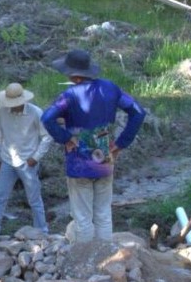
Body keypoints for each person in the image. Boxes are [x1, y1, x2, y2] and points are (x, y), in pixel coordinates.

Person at [40, 49, 146, 241]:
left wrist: (65, 138)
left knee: (82, 217)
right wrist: (121, 143)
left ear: (74, 75)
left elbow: (47, 118)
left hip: (78, 163)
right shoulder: (111, 88)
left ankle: (86, 263)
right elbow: (138, 112)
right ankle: (106, 258)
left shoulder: (69, 95)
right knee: (104, 214)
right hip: (105, 160)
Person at [0, 82, 53, 233]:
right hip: (6, 160)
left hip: (27, 162)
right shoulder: (2, 111)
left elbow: (47, 137)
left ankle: (42, 230)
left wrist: (35, 157)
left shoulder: (36, 113)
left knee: (34, 199)